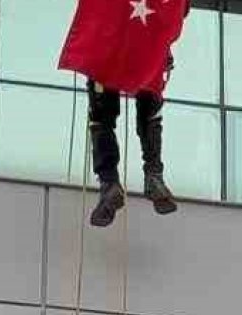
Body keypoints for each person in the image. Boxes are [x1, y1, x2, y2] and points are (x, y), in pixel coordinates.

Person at [58, 0, 192, 227]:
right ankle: (153, 175)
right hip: (148, 53)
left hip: (109, 47)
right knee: (150, 114)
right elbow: (180, 11)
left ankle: (109, 182)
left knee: (101, 118)